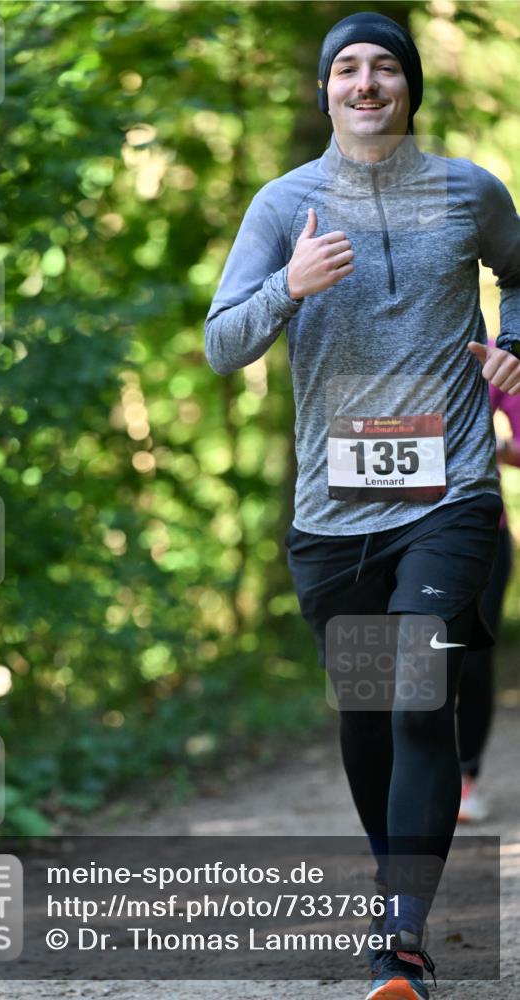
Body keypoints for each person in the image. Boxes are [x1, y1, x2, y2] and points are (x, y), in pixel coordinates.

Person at [204, 11, 520, 999]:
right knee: (370, 712)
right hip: (332, 512)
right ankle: (399, 887)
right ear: (326, 90)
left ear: (409, 86)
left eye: (385, 66)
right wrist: (286, 289)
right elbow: (222, 343)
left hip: (451, 490)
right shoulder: (281, 203)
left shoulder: (470, 190)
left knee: (419, 694)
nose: (367, 82)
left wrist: (517, 345)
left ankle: (400, 938)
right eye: (347, 68)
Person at [457, 358, 520, 822]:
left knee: (471, 654)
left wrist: (494, 446)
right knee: (401, 652)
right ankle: (393, 773)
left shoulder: (494, 352)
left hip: (478, 527)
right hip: (377, 522)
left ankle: (465, 779)